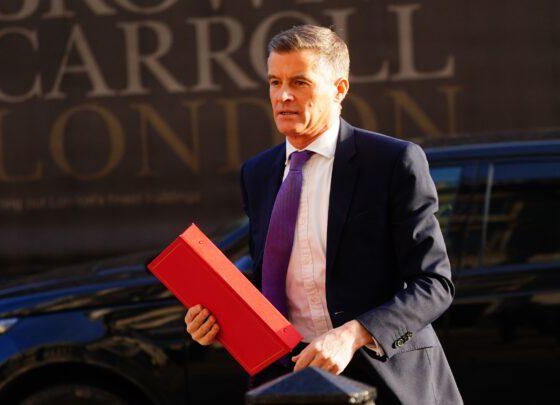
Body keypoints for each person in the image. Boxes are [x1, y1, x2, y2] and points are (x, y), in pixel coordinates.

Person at [184, 25, 462, 404]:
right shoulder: (258, 172)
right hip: (289, 380)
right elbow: (271, 277)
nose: (282, 95)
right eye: (274, 81)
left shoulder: (392, 162)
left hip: (385, 377)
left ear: (340, 88)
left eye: (299, 82)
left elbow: (434, 284)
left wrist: (354, 333)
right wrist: (219, 319)